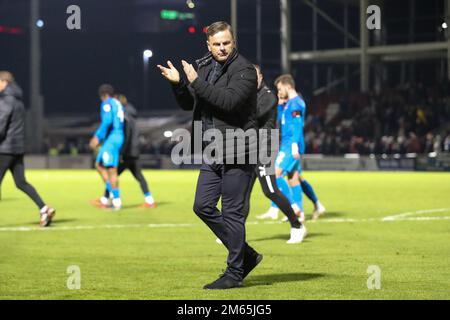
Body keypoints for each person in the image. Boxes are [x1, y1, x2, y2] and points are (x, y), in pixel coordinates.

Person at [158, 21, 261, 289]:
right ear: (209, 45)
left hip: (239, 149)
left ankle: (235, 273)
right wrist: (180, 83)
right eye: (217, 44)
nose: (222, 48)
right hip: (212, 149)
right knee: (202, 206)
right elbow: (189, 103)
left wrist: (195, 81)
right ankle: (246, 255)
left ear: (233, 42)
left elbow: (227, 102)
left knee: (232, 213)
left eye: (226, 43)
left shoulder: (245, 71)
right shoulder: (204, 66)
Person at [242, 65, 306, 244]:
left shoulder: (268, 96)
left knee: (271, 190)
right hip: (250, 150)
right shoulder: (253, 97)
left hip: (264, 150)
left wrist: (294, 145)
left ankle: (297, 225)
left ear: (260, 77)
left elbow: (251, 119)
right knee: (243, 193)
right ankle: (234, 233)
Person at [261, 74, 324, 221]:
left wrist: (295, 145)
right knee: (293, 178)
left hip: (290, 145)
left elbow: (297, 126)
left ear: (288, 86)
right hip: (286, 144)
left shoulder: (297, 103)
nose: (279, 92)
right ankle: (303, 210)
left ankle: (293, 207)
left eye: (280, 88)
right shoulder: (289, 103)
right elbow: (282, 121)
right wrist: (281, 104)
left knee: (276, 174)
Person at [0, 71, 55, 227]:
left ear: (4, 82)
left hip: (4, 149)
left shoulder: (5, 101)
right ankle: (44, 209)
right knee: (21, 182)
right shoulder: (18, 101)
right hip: (17, 148)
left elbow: (1, 127)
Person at [91, 94, 156, 209]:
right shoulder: (132, 117)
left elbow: (126, 136)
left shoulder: (124, 118)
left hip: (127, 152)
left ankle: (107, 200)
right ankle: (149, 200)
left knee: (112, 173)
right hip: (134, 151)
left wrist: (122, 152)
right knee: (138, 176)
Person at [89, 84, 125, 210]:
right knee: (100, 165)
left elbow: (108, 120)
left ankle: (116, 200)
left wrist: (97, 137)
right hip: (118, 137)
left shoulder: (107, 103)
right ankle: (113, 197)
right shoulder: (118, 103)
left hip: (112, 139)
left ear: (103, 95)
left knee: (110, 169)